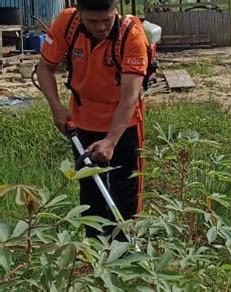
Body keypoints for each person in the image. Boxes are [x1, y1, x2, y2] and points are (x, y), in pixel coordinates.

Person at [37, 0, 148, 239]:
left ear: (115, 11)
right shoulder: (68, 23)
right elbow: (44, 67)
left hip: (124, 126)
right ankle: (95, 255)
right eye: (92, 21)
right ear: (80, 14)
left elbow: (129, 98)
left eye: (106, 20)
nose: (100, 27)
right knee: (91, 195)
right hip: (82, 123)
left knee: (124, 195)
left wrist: (110, 141)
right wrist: (56, 108)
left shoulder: (132, 36)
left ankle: (126, 254)